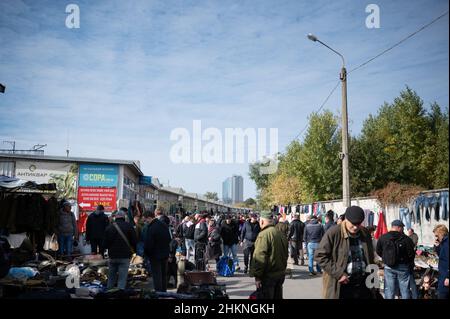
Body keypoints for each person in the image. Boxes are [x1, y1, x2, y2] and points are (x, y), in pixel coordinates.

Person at [315, 206, 375, 299]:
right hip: (342, 286)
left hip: (363, 285)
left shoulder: (365, 233)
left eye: (358, 224)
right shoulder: (334, 233)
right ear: (346, 219)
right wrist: (339, 274)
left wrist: (374, 282)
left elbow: (370, 258)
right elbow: (320, 255)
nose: (355, 227)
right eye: (353, 224)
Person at [249, 210, 288, 299]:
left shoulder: (264, 234)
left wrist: (257, 277)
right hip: (280, 274)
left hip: (268, 276)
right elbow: (285, 254)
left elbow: (259, 257)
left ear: (262, 221)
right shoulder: (280, 234)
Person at [376, 220, 416, 299]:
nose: (403, 229)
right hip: (403, 267)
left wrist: (385, 258)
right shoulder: (406, 239)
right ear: (398, 227)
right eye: (402, 228)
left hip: (389, 266)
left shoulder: (383, 237)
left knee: (389, 290)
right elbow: (411, 254)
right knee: (405, 290)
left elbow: (378, 250)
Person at [103, 208, 137, 290]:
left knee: (111, 277)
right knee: (122, 278)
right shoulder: (129, 226)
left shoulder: (109, 227)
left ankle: (109, 293)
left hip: (112, 256)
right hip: (125, 256)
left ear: (115, 217)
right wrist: (133, 252)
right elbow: (134, 241)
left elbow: (104, 244)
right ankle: (120, 293)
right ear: (124, 217)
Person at [143, 210, 171, 292]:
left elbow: (149, 243)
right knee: (163, 274)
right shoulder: (164, 225)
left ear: (149, 218)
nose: (145, 222)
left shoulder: (151, 227)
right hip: (165, 253)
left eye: (145, 220)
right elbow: (169, 238)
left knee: (157, 275)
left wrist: (147, 253)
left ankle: (158, 292)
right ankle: (163, 291)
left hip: (154, 255)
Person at [433, 224, 449, 299]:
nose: (436, 237)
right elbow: (442, 255)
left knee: (442, 294)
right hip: (443, 273)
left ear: (441, 233)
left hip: (446, 274)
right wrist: (437, 247)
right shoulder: (443, 242)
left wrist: (448, 277)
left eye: (437, 235)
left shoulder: (447, 243)